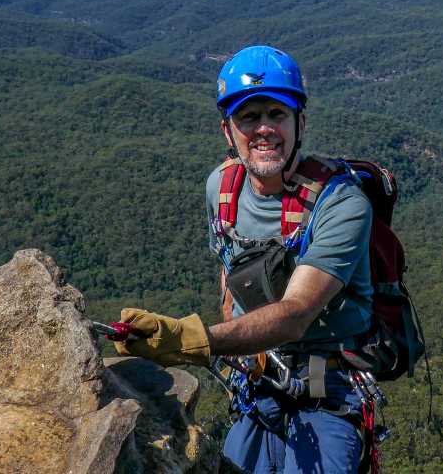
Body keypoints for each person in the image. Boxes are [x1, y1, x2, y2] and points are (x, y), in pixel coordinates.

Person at [118, 45, 376, 474]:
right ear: (228, 131)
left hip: (326, 391)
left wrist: (193, 340)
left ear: (301, 123)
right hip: (256, 387)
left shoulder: (342, 202)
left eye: (276, 114)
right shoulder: (221, 187)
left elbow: (295, 314)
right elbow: (227, 268)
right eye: (249, 118)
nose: (263, 130)